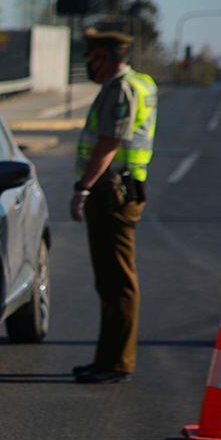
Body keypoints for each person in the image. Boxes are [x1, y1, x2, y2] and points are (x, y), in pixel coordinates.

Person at [70, 28, 158, 384]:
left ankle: (118, 362)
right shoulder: (137, 84)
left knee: (118, 280)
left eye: (92, 58)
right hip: (117, 189)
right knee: (108, 279)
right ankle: (106, 359)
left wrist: (84, 187)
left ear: (106, 58)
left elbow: (109, 143)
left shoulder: (121, 89)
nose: (90, 65)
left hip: (113, 191)